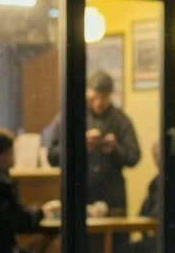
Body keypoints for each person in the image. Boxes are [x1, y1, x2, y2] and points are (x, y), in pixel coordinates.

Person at [46, 70, 141, 213]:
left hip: (112, 198)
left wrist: (115, 149)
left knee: (115, 234)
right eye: (95, 97)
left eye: (104, 97)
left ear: (110, 95)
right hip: (78, 193)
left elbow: (134, 156)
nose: (99, 102)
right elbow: (52, 157)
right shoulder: (70, 117)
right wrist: (78, 145)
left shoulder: (120, 120)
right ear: (87, 93)